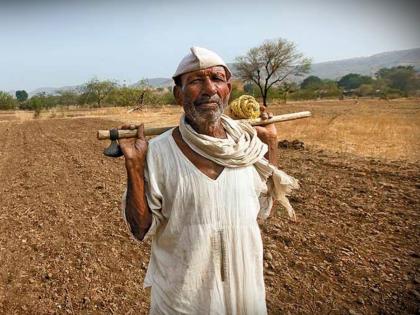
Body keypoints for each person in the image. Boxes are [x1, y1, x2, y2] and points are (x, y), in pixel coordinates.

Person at [118, 47, 298, 315]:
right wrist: (133, 165)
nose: (208, 89)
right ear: (178, 94)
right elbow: (140, 228)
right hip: (184, 300)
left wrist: (270, 144)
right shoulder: (158, 153)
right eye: (195, 81)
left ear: (228, 88)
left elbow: (262, 209)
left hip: (245, 294)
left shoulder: (247, 145)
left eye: (216, 79)